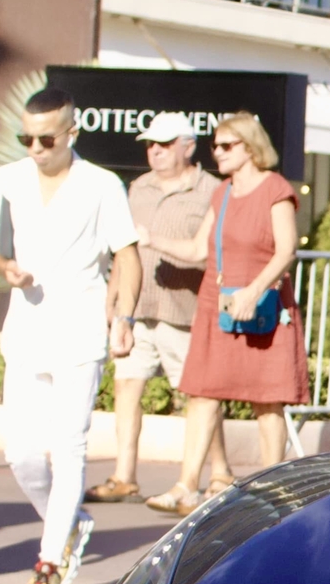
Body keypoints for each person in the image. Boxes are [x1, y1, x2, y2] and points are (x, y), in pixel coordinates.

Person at [0, 88, 141, 584]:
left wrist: (125, 318)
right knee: (20, 454)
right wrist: (5, 269)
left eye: (46, 139)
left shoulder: (101, 184)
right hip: (25, 329)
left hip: (81, 332)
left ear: (72, 132)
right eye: (25, 137)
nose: (35, 148)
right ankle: (68, 522)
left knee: (69, 448)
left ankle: (48, 568)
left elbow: (128, 257)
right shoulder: (8, 179)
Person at [140, 110, 306, 505]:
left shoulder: (275, 189)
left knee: (267, 400)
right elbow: (199, 249)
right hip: (220, 304)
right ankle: (185, 486)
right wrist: (152, 239)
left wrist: (253, 290)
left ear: (250, 147)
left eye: (226, 145)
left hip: (262, 304)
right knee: (202, 394)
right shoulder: (223, 192)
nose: (217, 152)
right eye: (214, 145)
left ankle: (271, 487)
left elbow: (286, 251)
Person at [86, 112, 229, 504]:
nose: (155, 151)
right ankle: (124, 474)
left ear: (188, 146)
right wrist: (113, 300)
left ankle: (219, 470)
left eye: (164, 144)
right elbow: (123, 252)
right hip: (138, 307)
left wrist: (159, 240)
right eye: (150, 144)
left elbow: (210, 255)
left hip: (185, 311)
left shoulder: (212, 191)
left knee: (199, 395)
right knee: (127, 387)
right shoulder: (137, 189)